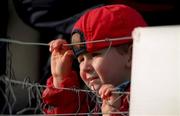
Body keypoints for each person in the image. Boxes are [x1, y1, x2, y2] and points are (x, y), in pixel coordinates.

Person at [42, 4, 147, 115]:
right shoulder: (92, 101)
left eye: (95, 55)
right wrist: (60, 79)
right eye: (81, 59)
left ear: (131, 55)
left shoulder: (149, 97)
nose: (85, 67)